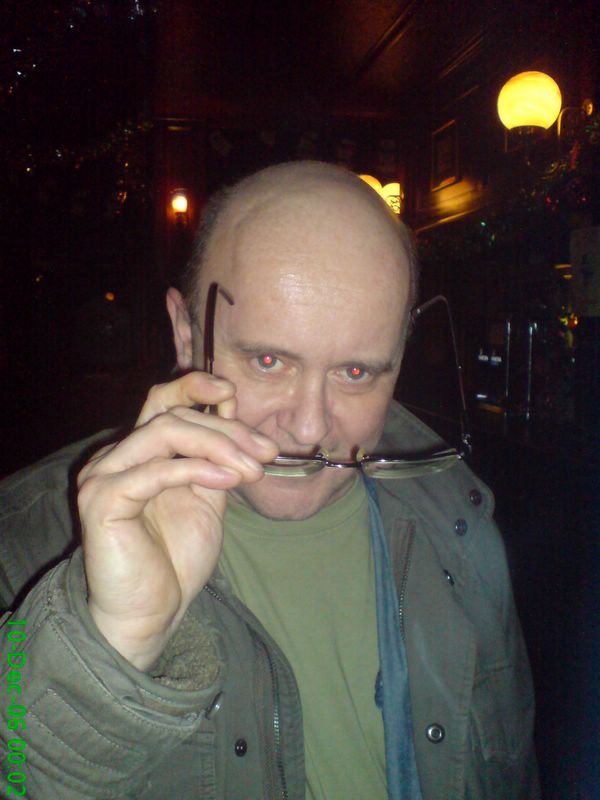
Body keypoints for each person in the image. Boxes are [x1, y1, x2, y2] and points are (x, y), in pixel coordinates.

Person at [0, 161, 538, 799]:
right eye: (267, 360)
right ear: (185, 332)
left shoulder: (460, 523)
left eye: (356, 373)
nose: (308, 427)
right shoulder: (26, 543)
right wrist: (109, 645)